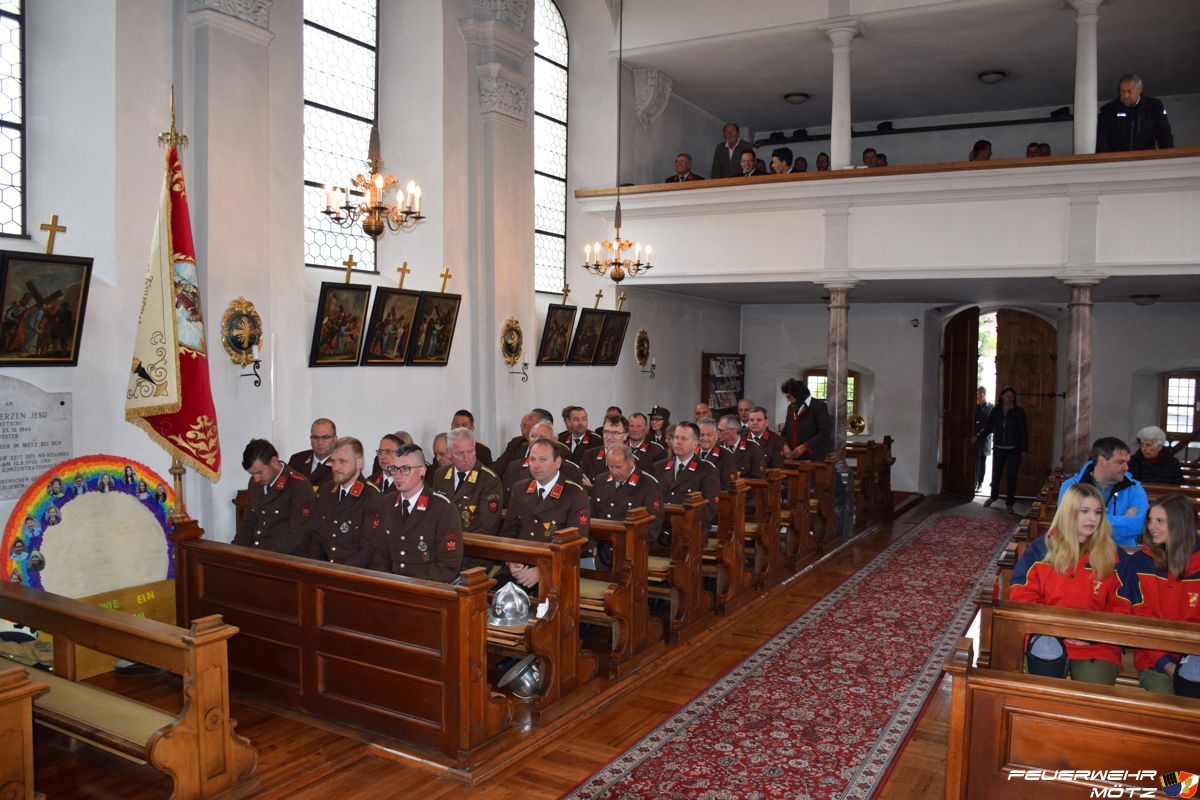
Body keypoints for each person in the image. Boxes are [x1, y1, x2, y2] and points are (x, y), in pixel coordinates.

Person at [1010, 483, 1128, 684]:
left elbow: (1123, 604)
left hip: (1097, 643)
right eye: (1084, 511)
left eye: (1097, 512)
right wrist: (1053, 629)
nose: (1092, 518)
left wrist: (1091, 634)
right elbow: (1022, 596)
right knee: (1044, 688)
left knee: (1092, 689)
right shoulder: (1041, 550)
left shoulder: (1114, 555)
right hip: (1047, 635)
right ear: (1068, 512)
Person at [1120, 493, 1200, 696]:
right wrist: (1165, 663)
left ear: (1180, 524)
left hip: (1195, 655)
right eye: (1150, 520)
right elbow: (1140, 618)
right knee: (1166, 700)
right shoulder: (1140, 563)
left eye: (1159, 521)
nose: (1151, 527)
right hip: (1153, 657)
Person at [501, 438, 590, 589]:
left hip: (556, 570)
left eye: (543, 460)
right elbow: (508, 532)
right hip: (520, 568)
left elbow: (575, 545)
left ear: (557, 462)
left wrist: (542, 570)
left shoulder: (575, 494)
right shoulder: (520, 488)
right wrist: (510, 560)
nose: (536, 465)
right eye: (532, 459)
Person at [370, 443, 463, 582]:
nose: (398, 475)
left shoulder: (442, 508)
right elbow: (380, 552)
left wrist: (412, 585)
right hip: (391, 584)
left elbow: (448, 564)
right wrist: (388, 582)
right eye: (394, 469)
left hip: (427, 586)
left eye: (405, 469)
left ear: (422, 471)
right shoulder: (387, 503)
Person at [1059, 436, 1149, 548]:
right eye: (1120, 462)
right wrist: (1124, 520)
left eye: (1127, 462)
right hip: (1080, 551)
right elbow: (1069, 523)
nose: (1126, 467)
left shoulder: (1134, 488)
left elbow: (1141, 524)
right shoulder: (1071, 487)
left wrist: (1089, 523)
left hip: (1122, 552)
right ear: (1102, 461)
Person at [234, 438, 316, 556]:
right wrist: (235, 552)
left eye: (259, 472)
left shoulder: (299, 486)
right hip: (258, 554)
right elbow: (248, 523)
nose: (256, 479)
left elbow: (297, 535)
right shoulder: (255, 483)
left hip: (284, 558)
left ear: (274, 461)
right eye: (252, 474)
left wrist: (265, 557)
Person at [589, 443, 664, 567]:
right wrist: (592, 543)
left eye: (619, 467)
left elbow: (653, 526)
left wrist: (630, 547)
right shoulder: (601, 480)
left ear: (631, 461)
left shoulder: (648, 485)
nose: (614, 472)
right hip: (602, 551)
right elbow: (592, 514)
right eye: (611, 466)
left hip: (631, 552)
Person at [312, 436, 381, 567]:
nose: (336, 467)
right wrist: (315, 568)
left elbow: (368, 550)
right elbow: (316, 537)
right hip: (323, 569)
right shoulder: (326, 490)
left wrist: (338, 572)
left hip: (352, 572)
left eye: (342, 461)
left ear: (359, 463)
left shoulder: (371, 497)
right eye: (333, 461)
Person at [429, 427, 504, 537]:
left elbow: (487, 528)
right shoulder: (440, 475)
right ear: (449, 453)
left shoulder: (489, 480)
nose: (466, 458)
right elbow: (433, 513)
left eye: (470, 451)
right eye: (460, 453)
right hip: (441, 541)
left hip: (471, 544)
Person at [653, 421, 720, 536]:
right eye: (676, 437)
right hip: (659, 532)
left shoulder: (706, 470)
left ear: (695, 444)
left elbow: (709, 509)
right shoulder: (659, 467)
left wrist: (687, 528)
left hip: (690, 533)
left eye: (683, 439)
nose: (678, 442)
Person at [976, 386, 1028, 513]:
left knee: (1012, 475)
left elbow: (1023, 431)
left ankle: (1009, 504)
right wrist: (978, 437)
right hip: (999, 448)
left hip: (1014, 449)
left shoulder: (1019, 411)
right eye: (1007, 396)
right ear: (1002, 397)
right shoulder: (996, 411)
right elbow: (989, 427)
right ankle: (993, 496)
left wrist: (1024, 449)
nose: (1010, 398)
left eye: (1012, 396)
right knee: (996, 474)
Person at [1096, 73, 1174, 153]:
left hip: (1146, 157)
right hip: (1117, 158)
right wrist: (1107, 159)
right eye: (1122, 91)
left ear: (1140, 89)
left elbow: (1164, 134)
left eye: (1129, 91)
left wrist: (1168, 156)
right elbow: (1101, 139)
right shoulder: (1109, 110)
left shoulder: (1154, 107)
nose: (1125, 95)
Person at [779, 378, 832, 462]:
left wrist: (804, 447)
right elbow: (785, 431)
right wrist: (785, 446)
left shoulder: (818, 406)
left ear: (798, 394)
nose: (788, 400)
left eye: (789, 397)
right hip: (793, 457)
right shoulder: (791, 407)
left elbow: (824, 432)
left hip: (813, 458)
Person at [288, 417, 337, 486]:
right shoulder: (296, 459)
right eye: (315, 437)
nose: (320, 442)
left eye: (325, 437)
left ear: (335, 439)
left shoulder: (340, 464)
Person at [580, 413, 629, 481]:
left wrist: (594, 486)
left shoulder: (633, 460)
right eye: (606, 432)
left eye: (615, 433)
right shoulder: (589, 455)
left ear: (625, 436)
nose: (609, 437)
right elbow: (582, 483)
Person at [717, 414, 765, 481]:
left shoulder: (753, 448)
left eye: (721, 430)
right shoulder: (717, 447)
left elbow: (758, 479)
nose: (717, 433)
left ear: (733, 431)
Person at [696, 417, 736, 490]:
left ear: (716, 435)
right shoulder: (692, 453)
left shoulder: (726, 455)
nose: (705, 438)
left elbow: (727, 487)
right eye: (702, 435)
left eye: (709, 435)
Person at [974, 385, 994, 494]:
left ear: (985, 394)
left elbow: (990, 424)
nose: (980, 394)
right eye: (978, 392)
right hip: (974, 438)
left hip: (985, 438)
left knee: (982, 461)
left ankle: (980, 483)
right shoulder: (974, 407)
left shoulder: (990, 407)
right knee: (974, 461)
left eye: (982, 392)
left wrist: (981, 434)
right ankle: (973, 483)